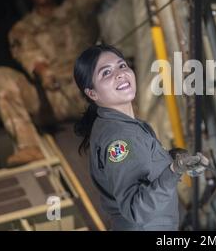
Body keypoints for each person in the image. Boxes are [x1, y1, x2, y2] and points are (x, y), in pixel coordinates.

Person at [0, 0, 119, 167]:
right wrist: (44, 72)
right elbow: (28, 53)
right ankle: (29, 147)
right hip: (50, 100)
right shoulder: (23, 28)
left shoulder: (73, 10)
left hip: (85, 92)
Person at [73, 44, 208, 231]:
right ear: (92, 93)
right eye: (106, 73)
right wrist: (173, 171)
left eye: (122, 66)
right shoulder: (120, 138)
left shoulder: (118, 124)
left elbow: (140, 164)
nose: (120, 74)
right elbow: (136, 210)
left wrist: (173, 157)